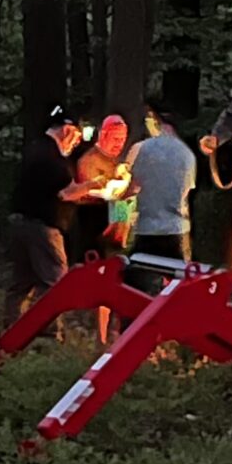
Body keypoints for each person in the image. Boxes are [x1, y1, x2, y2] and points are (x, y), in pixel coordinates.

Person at [3, 107, 89, 330]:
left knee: (21, 282)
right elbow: (66, 192)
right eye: (77, 135)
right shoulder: (52, 157)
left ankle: (11, 330)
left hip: (21, 222)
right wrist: (96, 185)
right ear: (66, 130)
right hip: (42, 229)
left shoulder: (35, 149)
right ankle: (47, 332)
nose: (77, 142)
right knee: (56, 283)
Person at [71, 113, 132, 343]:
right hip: (94, 228)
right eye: (115, 138)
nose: (119, 144)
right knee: (96, 280)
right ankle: (94, 334)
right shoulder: (89, 160)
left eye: (123, 139)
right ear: (104, 135)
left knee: (116, 280)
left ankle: (111, 333)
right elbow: (88, 192)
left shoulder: (117, 162)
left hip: (115, 234)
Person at [127, 105, 198, 273]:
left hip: (146, 228)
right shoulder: (187, 154)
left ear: (155, 122)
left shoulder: (141, 149)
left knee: (137, 281)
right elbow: (188, 190)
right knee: (178, 283)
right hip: (177, 229)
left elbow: (131, 188)